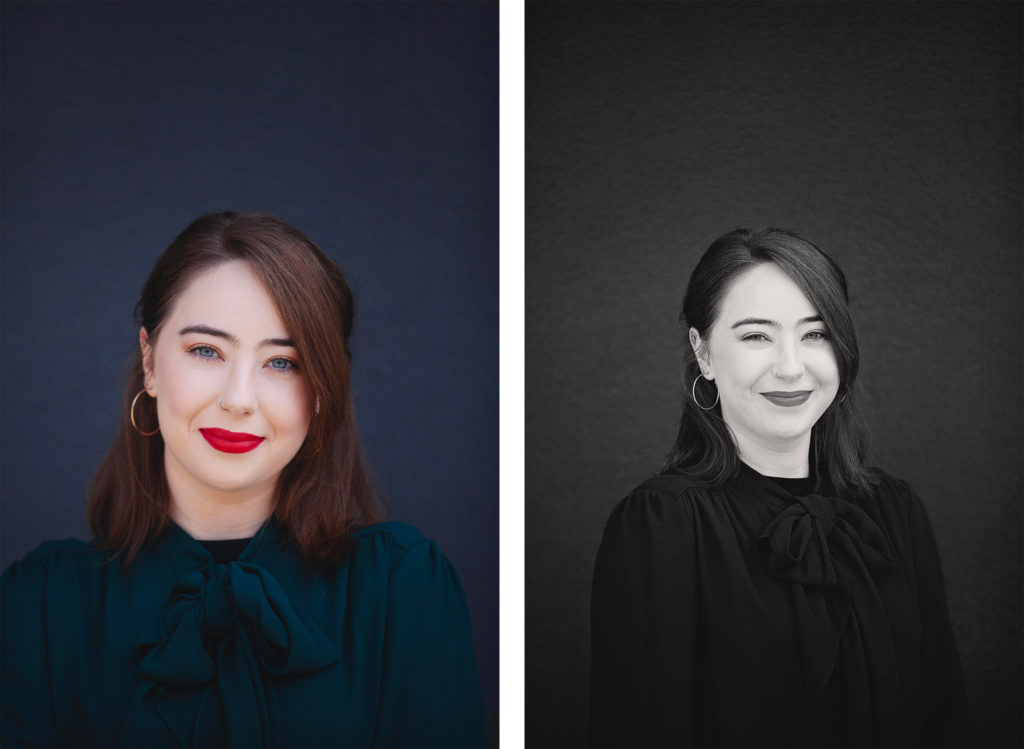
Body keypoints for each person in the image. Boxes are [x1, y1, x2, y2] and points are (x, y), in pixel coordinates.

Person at [1, 212, 485, 747]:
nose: (238, 399)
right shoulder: (38, 606)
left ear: (324, 388)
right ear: (150, 361)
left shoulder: (404, 587)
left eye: (283, 363)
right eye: (206, 351)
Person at [589, 228, 970, 747]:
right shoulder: (663, 524)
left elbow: (942, 716)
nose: (791, 368)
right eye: (755, 336)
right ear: (703, 353)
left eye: (815, 334)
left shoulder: (895, 510)